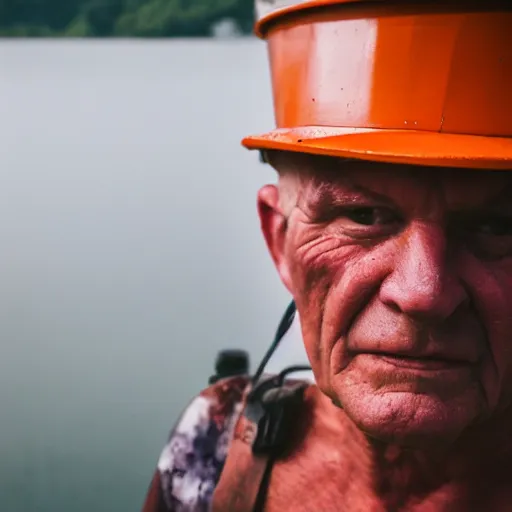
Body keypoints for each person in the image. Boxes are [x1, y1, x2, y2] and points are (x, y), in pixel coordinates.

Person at [142, 0, 512, 510]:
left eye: (497, 226)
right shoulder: (214, 442)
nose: (424, 293)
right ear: (280, 239)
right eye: (362, 217)